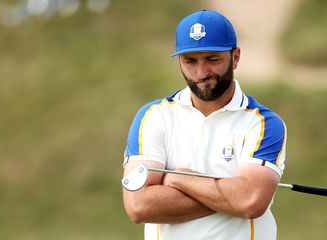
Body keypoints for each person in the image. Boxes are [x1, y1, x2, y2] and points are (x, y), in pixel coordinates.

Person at [122, 9, 287, 240]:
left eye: (212, 59)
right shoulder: (152, 117)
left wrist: (179, 178)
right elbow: (139, 206)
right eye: (190, 61)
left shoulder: (263, 123)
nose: (201, 72)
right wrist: (231, 196)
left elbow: (250, 202)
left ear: (235, 57)